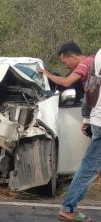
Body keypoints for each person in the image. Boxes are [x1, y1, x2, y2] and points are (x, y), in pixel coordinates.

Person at [58, 49, 101, 222]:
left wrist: (86, 117)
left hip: (98, 117)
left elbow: (89, 88)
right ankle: (68, 207)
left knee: (90, 165)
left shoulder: (98, 55)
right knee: (89, 167)